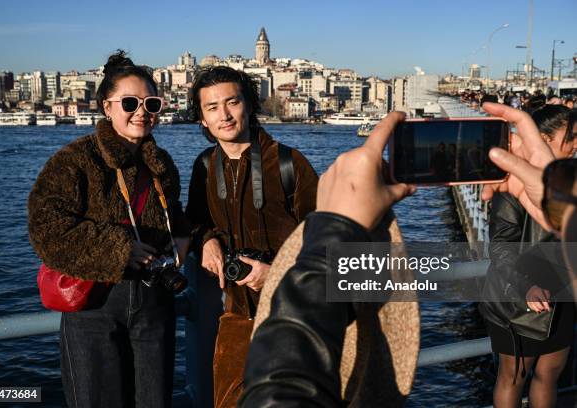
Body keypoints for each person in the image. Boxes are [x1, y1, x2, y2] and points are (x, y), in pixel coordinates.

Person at [239, 102, 576, 406]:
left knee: (546, 374)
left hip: (554, 298)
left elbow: (283, 383)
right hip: (522, 306)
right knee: (517, 377)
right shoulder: (519, 199)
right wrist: (562, 207)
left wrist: (331, 231)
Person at [28, 50, 191, 408]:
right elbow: (46, 227)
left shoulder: (161, 164)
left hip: (153, 304)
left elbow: (174, 213)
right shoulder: (76, 159)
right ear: (107, 106)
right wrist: (118, 249)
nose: (141, 111)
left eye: (151, 102)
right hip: (95, 306)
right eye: (130, 102)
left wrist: (183, 238)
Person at [185, 66, 318, 407]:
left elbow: (326, 241)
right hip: (235, 317)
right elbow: (194, 221)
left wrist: (274, 274)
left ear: (248, 105)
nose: (224, 115)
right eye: (212, 107)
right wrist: (206, 240)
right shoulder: (203, 167)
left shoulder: (289, 163)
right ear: (202, 119)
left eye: (232, 102)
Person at [479, 104, 576, 407]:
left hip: (561, 294)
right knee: (513, 376)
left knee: (550, 373)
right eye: (571, 136)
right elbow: (501, 247)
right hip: (518, 298)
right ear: (543, 139)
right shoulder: (513, 184)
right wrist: (526, 287)